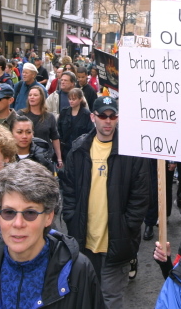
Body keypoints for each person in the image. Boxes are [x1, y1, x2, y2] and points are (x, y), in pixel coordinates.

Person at [0, 160, 104, 308]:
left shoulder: (78, 270)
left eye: (30, 213)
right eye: (9, 212)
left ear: (49, 217)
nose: (18, 223)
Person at [61, 96, 149, 308]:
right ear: (93, 117)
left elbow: (141, 196)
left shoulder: (132, 151)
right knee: (86, 297)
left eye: (112, 116)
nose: (108, 121)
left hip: (117, 243)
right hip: (85, 241)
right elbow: (69, 190)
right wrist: (71, 219)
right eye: (103, 116)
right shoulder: (79, 149)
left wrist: (128, 227)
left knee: (111, 299)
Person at [17, 86, 63, 169]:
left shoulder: (49, 117)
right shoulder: (21, 114)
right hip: (26, 158)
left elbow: (55, 138)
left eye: (35, 95)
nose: (32, 97)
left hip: (45, 158)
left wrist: (59, 158)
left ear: (41, 98)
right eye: (30, 95)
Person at [57, 88, 94, 161]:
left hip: (80, 150)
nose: (71, 101)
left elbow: (90, 133)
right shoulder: (64, 112)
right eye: (69, 99)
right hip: (65, 150)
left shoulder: (86, 114)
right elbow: (58, 130)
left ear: (80, 99)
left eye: (74, 99)